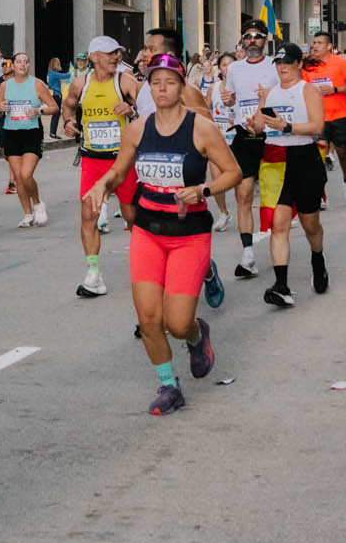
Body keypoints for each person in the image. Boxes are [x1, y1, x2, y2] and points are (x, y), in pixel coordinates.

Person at [84, 54, 239, 415]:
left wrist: (202, 190)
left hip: (189, 235)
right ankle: (169, 385)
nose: (162, 89)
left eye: (170, 82)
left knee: (178, 323)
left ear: (182, 86)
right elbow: (119, 171)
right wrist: (103, 184)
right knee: (149, 320)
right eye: (155, 83)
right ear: (149, 89)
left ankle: (197, 335)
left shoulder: (201, 128)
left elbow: (233, 172)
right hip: (148, 231)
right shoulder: (138, 129)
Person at [61, 35, 139, 297]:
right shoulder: (80, 84)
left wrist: (131, 110)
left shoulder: (125, 81)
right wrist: (68, 122)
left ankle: (145, 262)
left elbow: (150, 110)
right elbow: (67, 106)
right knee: (88, 215)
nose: (116, 57)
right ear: (94, 57)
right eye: (109, 53)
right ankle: (93, 275)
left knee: (131, 216)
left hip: (123, 160)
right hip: (93, 158)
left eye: (118, 52)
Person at [253, 43, 327, 305]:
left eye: (287, 62)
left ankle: (317, 258)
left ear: (299, 64)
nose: (282, 67)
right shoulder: (269, 93)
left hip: (304, 159)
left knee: (310, 224)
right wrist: (252, 125)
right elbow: (258, 124)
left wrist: (287, 126)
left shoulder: (307, 90)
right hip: (275, 161)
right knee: (278, 224)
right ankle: (281, 285)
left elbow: (317, 126)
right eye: (279, 63)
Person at [215, 30, 276, 279]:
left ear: (265, 40)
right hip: (245, 134)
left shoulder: (275, 65)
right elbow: (231, 102)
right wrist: (229, 100)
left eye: (257, 36)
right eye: (248, 36)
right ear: (242, 41)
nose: (252, 40)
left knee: (279, 197)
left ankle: (285, 246)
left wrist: (268, 97)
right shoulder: (235, 69)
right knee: (243, 194)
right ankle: (248, 254)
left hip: (272, 134)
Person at [0, 52, 50, 226]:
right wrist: (0, 107)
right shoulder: (4, 86)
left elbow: (54, 106)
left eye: (25, 62)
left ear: (29, 65)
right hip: (11, 132)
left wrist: (39, 111)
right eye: (19, 62)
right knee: (18, 178)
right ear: (13, 65)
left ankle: (38, 204)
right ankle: (27, 214)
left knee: (26, 175)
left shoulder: (37, 84)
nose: (22, 65)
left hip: (31, 132)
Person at [303, 30, 346, 201]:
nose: (315, 46)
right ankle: (320, 194)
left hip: (339, 115)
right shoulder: (307, 66)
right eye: (314, 43)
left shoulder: (341, 64)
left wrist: (335, 89)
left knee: (342, 151)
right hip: (317, 117)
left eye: (319, 43)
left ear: (329, 46)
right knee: (318, 154)